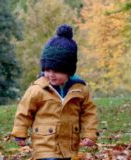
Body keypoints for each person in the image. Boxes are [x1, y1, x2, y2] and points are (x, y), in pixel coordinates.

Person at [10, 24, 98, 160]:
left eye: (57, 70)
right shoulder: (37, 89)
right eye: (47, 69)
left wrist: (89, 134)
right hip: (44, 145)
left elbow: (89, 113)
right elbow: (24, 111)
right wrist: (20, 133)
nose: (51, 74)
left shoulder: (80, 89)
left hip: (69, 146)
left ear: (68, 70)